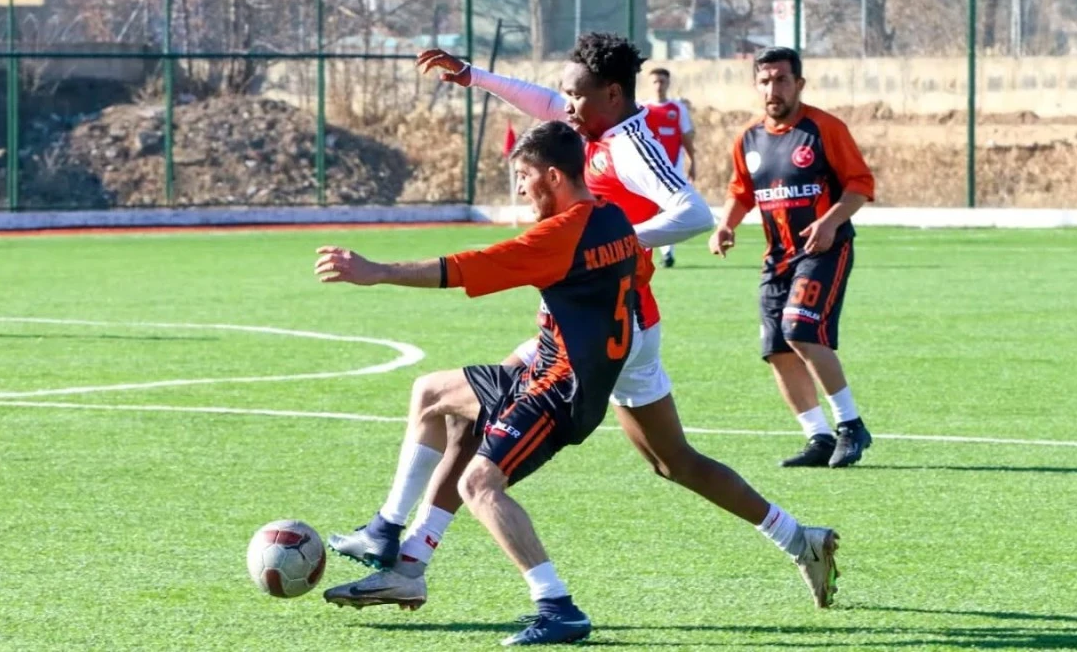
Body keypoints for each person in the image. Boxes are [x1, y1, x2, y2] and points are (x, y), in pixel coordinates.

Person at [326, 33, 841, 616]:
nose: (565, 104)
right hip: (616, 317)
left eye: (577, 95)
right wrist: (475, 76)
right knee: (673, 461)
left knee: (465, 418)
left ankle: (406, 545)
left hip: (604, 327)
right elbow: (545, 102)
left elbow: (693, 212)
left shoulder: (627, 146)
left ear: (613, 95)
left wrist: (609, 244)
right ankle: (801, 538)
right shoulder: (593, 129)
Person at [317, 121, 647, 646]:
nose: (519, 188)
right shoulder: (615, 219)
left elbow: (470, 267)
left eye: (523, 176)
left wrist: (377, 270)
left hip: (559, 393)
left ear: (555, 176)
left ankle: (557, 605)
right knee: (432, 396)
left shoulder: (560, 234)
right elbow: (630, 295)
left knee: (479, 484)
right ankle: (393, 547)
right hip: (544, 368)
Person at [708, 46, 875, 468]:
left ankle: (851, 425)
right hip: (777, 257)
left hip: (824, 249)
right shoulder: (748, 138)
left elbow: (859, 185)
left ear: (798, 84)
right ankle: (817, 437)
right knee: (777, 348)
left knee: (800, 329)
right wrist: (725, 224)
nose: (773, 88)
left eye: (782, 79)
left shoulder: (824, 129)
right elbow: (741, 191)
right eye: (765, 80)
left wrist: (830, 222)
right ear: (756, 86)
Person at [643, 67, 697, 268]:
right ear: (650, 84)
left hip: (673, 167)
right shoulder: (642, 109)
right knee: (649, 208)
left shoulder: (677, 109)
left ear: (668, 83)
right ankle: (644, 251)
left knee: (670, 209)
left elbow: (686, 137)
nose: (659, 86)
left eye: (662, 82)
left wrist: (693, 162)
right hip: (648, 168)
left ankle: (667, 253)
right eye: (655, 82)